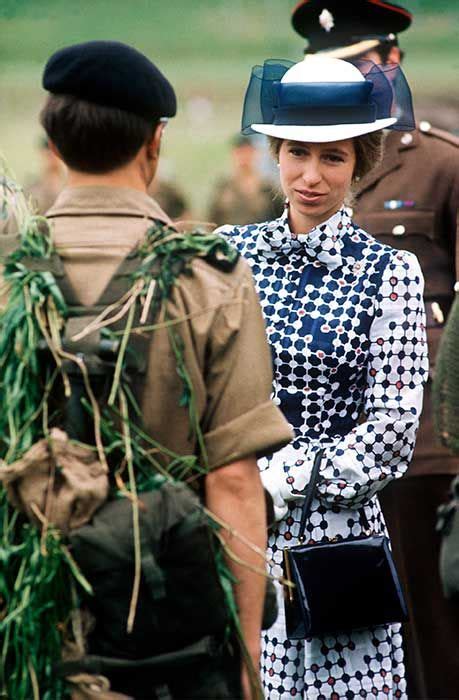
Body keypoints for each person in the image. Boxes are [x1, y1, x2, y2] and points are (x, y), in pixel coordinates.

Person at [2, 40, 293, 699]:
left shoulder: (8, 274)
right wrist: (248, 659)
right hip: (173, 631)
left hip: (34, 626)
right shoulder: (207, 274)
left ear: (53, 140)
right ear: (154, 145)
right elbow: (235, 481)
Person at [217, 54, 427, 699]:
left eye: (333, 158)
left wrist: (287, 480)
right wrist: (239, 488)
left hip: (342, 544)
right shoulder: (228, 252)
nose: (311, 176)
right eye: (297, 154)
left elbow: (393, 429)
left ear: (360, 164)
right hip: (238, 532)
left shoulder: (390, 272)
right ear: (275, 152)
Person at [291, 2, 459, 697]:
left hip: (422, 446)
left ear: (390, 61)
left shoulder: (441, 168)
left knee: (430, 626)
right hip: (324, 449)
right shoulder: (305, 173)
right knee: (343, 633)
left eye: (357, 65)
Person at [208, 134, 283, 227]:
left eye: (247, 152)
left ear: (255, 154)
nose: (244, 158)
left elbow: (281, 216)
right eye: (240, 153)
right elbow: (212, 219)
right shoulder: (223, 187)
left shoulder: (267, 187)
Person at [25, 135, 66, 214]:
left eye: (55, 154)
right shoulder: (31, 190)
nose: (52, 159)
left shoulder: (70, 186)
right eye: (48, 155)